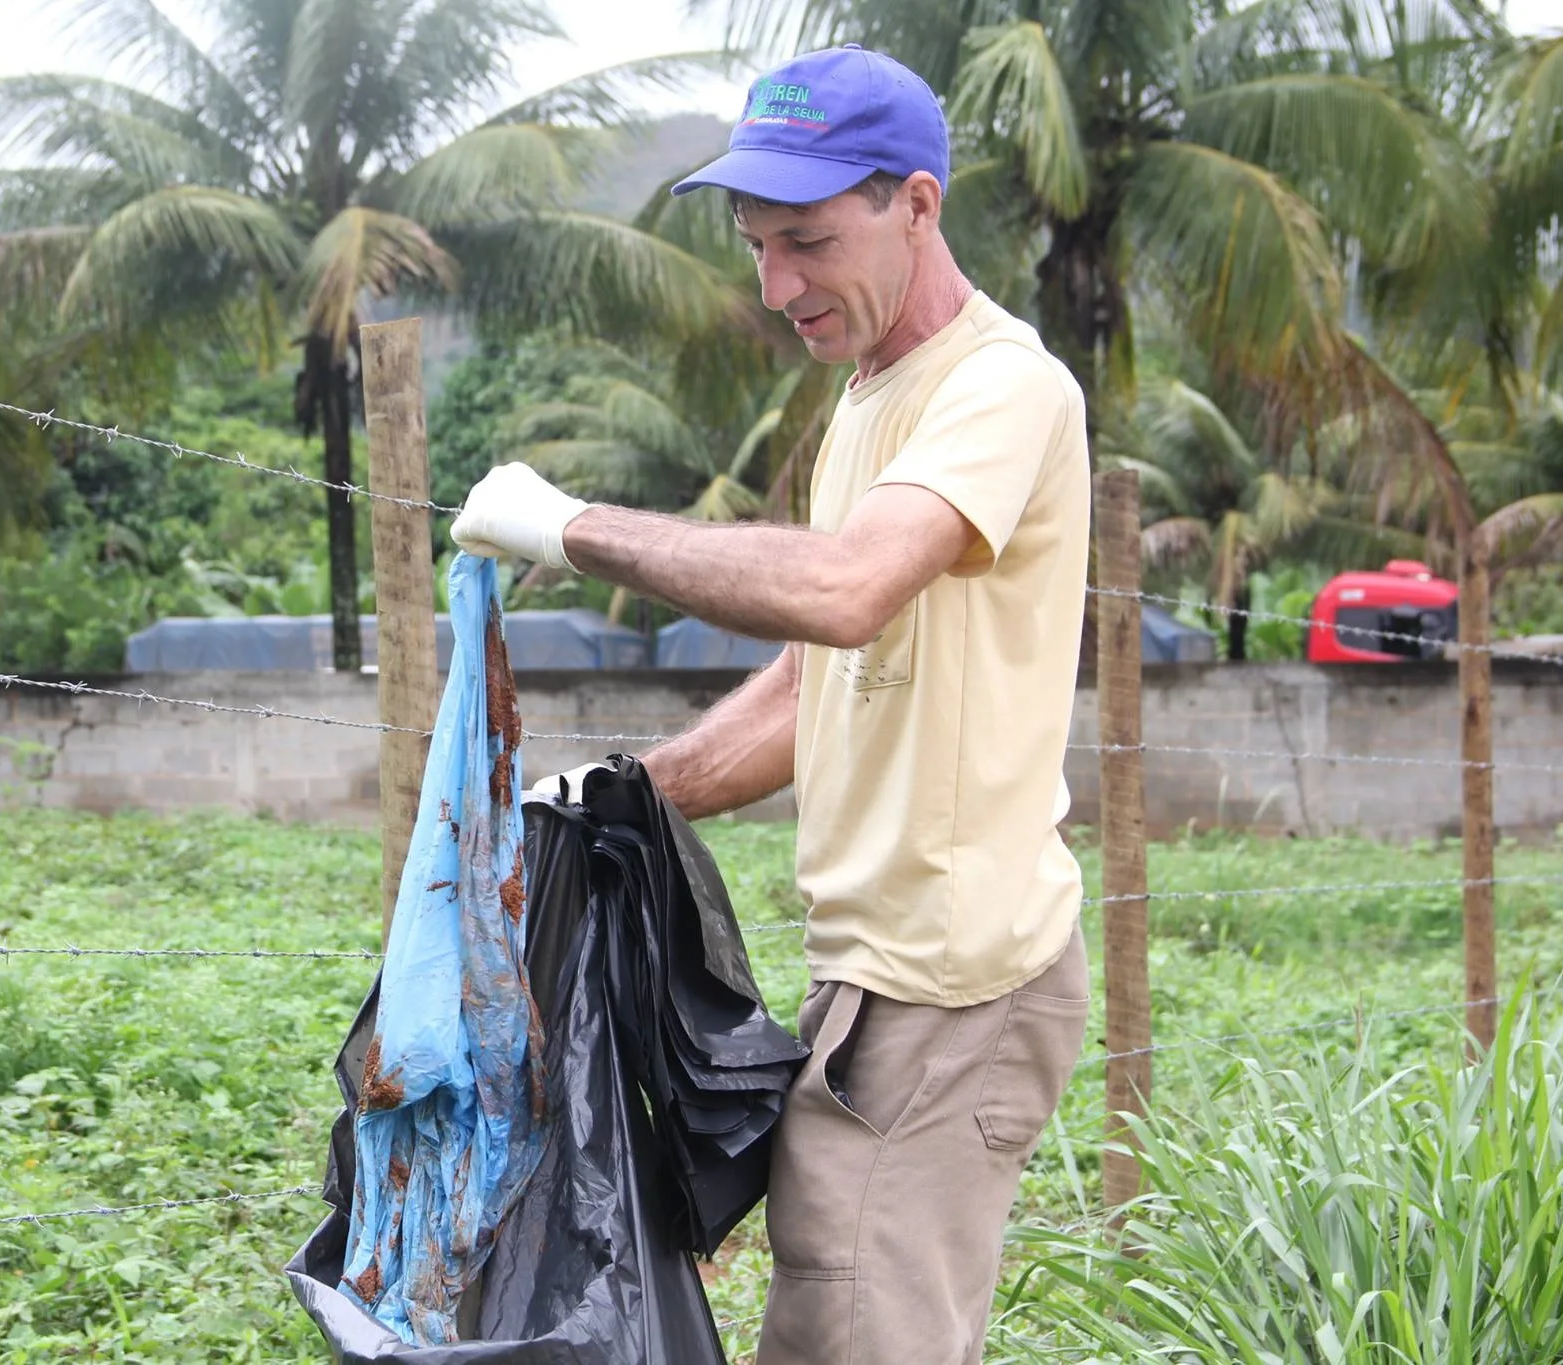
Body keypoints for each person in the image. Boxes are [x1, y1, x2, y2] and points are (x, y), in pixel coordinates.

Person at [449, 42, 1094, 1365]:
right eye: (755, 244)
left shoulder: (1001, 388)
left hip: (949, 991)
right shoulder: (868, 402)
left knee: (854, 1338)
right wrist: (614, 799)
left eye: (806, 241)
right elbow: (816, 689)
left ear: (917, 205)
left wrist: (574, 529)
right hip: (877, 980)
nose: (776, 284)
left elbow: (846, 591)